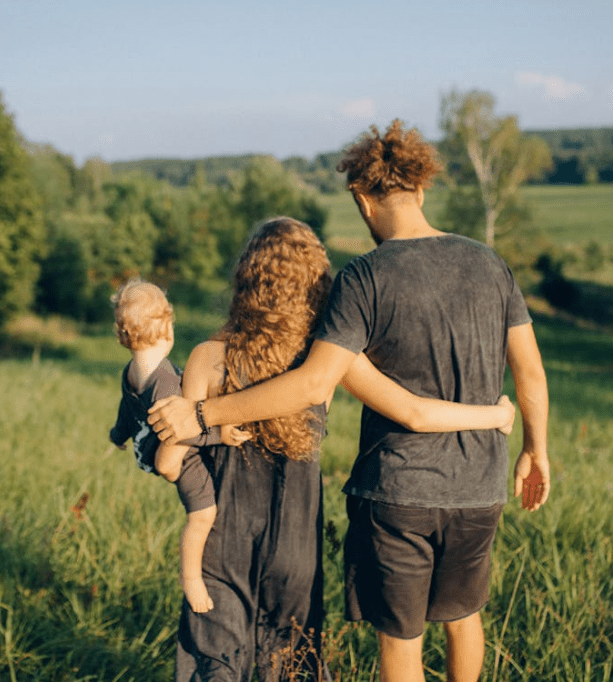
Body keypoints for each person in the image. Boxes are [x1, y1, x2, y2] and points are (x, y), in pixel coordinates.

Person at [149, 122, 550, 682]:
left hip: (399, 489)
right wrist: (534, 445)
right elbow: (529, 369)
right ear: (421, 190)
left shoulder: (365, 275)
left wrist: (202, 414)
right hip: (481, 484)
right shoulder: (489, 262)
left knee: (402, 637)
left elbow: (317, 383)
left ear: (362, 200)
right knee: (465, 618)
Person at [107, 277, 248, 614]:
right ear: (168, 328)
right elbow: (181, 432)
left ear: (122, 335)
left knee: (202, 513)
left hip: (147, 446)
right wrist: (219, 435)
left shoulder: (131, 372)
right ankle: (191, 579)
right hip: (181, 461)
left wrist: (117, 434)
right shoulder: (167, 382)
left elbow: (126, 409)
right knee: (202, 516)